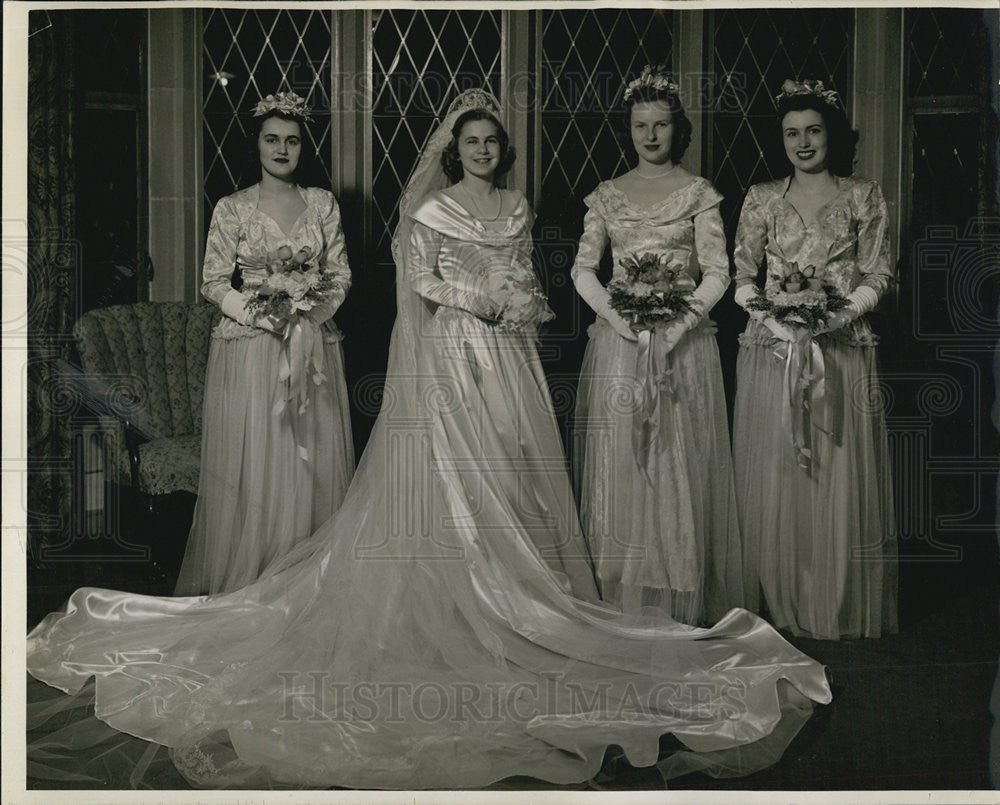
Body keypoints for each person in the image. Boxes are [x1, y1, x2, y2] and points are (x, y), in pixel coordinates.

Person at [27, 90, 831, 790]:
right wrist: (474, 298)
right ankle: (459, 590)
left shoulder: (517, 206)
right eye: (469, 142)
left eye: (491, 142)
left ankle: (519, 589)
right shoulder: (433, 207)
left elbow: (526, 274)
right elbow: (420, 280)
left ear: (501, 149)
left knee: (513, 472)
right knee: (451, 477)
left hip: (508, 353)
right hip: (452, 349)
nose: (481, 151)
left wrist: (511, 297)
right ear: (453, 150)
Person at [571, 65, 744, 625]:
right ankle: (625, 584)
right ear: (629, 128)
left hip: (682, 348)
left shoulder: (699, 194)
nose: (650, 136)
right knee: (624, 458)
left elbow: (719, 271)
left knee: (677, 461)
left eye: (661, 125)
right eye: (640, 125)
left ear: (677, 129)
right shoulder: (606, 195)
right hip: (620, 346)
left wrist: (676, 327)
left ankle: (681, 583)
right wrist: (622, 322)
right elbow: (581, 271)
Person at [732, 79, 898, 640]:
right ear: (780, 140)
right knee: (779, 473)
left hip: (841, 350)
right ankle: (780, 600)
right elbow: (739, 278)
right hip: (772, 351)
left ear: (832, 135)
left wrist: (829, 320)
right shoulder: (760, 198)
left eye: (814, 131)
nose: (803, 143)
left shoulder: (863, 195)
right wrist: (780, 323)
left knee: (833, 473)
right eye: (792, 134)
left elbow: (878, 273)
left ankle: (830, 603)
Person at [174, 91, 355, 595]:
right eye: (272, 139)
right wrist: (264, 315)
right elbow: (213, 281)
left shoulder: (322, 204)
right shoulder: (233, 208)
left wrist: (306, 312)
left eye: (292, 141)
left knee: (309, 460)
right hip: (250, 348)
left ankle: (305, 581)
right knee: (261, 458)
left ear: (303, 147)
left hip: (313, 346)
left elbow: (339, 274)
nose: (282, 149)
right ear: (255, 145)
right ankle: (252, 577)